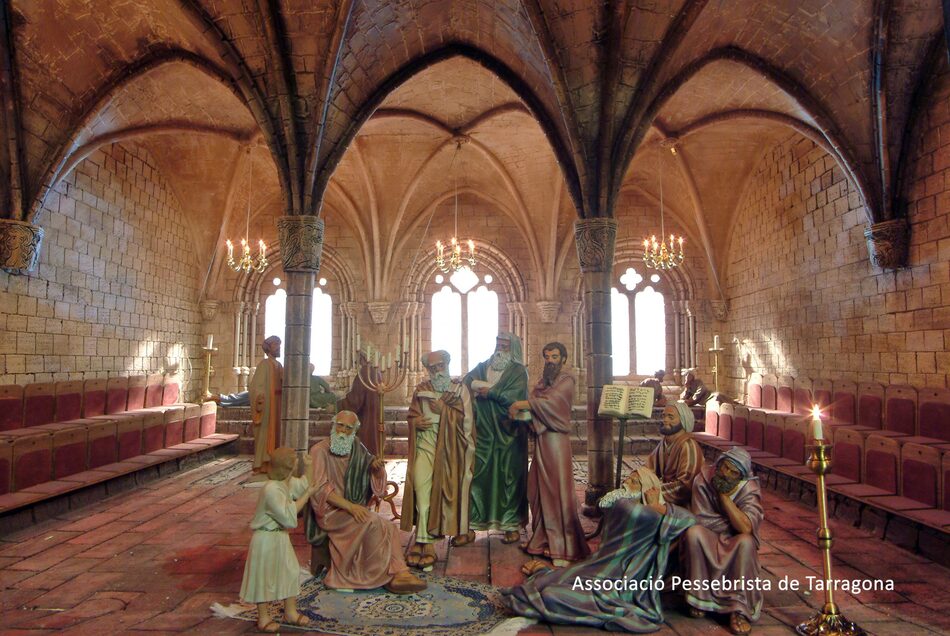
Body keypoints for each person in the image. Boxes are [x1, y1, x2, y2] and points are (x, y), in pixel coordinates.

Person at [503, 467, 695, 632]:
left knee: (551, 596)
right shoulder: (622, 508)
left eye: (635, 482)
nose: (627, 483)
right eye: (628, 478)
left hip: (616, 585)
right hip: (594, 570)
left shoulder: (644, 515)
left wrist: (657, 507)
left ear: (647, 489)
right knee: (543, 582)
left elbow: (690, 519)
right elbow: (607, 504)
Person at [306, 410, 426, 594]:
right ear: (333, 425)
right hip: (330, 511)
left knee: (390, 527)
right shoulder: (319, 451)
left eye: (348, 428)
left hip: (353, 507)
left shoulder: (356, 447)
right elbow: (321, 490)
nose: (342, 431)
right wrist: (351, 507)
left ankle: (400, 573)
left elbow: (374, 474)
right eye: (340, 425)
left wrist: (376, 470)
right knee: (372, 523)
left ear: (354, 431)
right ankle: (374, 574)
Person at [507, 342, 589, 569]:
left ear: (563, 358)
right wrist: (524, 411)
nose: (550, 361)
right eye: (547, 357)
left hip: (556, 442)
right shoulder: (543, 382)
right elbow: (536, 402)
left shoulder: (567, 380)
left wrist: (520, 404)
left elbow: (551, 404)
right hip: (542, 441)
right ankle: (541, 539)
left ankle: (562, 546)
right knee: (537, 489)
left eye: (555, 356)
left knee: (555, 491)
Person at [402, 350, 474, 570]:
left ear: (448, 364)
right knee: (421, 495)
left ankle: (425, 544)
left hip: (449, 452)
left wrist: (445, 411)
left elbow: (468, 425)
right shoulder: (421, 390)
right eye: (432, 368)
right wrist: (415, 423)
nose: (437, 371)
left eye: (440, 366)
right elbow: (412, 416)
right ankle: (425, 542)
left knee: (437, 497)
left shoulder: (459, 391)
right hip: (424, 447)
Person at [682, 447, 763, 635]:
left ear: (740, 477)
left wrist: (724, 497)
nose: (726, 474)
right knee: (694, 533)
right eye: (725, 467)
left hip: (736, 539)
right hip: (709, 535)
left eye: (733, 473)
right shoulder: (703, 480)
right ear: (718, 465)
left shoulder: (749, 489)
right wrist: (732, 522)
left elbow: (746, 528)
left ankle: (738, 609)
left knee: (746, 543)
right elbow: (701, 518)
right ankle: (700, 598)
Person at [461, 332, 529, 546]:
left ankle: (510, 524)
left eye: (505, 346)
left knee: (509, 478)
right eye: (498, 344)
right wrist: (471, 386)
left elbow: (516, 397)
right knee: (479, 475)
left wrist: (491, 393)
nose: (500, 349)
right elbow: (467, 380)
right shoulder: (483, 367)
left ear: (513, 349)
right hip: (483, 431)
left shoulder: (519, 371)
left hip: (509, 432)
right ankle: (471, 524)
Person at [239, 447, 318, 632]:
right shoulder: (271, 489)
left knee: (290, 571)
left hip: (280, 537)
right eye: (295, 460)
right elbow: (287, 516)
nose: (297, 462)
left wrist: (309, 467)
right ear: (288, 466)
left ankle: (290, 613)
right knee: (264, 576)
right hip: (266, 538)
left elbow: (303, 485)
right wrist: (307, 495)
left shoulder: (286, 482)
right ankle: (263, 617)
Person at [646, 401, 704, 506]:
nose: (665, 420)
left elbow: (685, 486)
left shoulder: (688, 446)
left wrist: (653, 492)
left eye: (671, 417)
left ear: (683, 421)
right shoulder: (664, 443)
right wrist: (636, 478)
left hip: (682, 504)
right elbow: (649, 468)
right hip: (663, 495)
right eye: (663, 416)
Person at [337, 345, 382, 456]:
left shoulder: (365, 372)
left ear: (364, 357)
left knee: (364, 448)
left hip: (365, 419)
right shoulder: (376, 372)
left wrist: (337, 405)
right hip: (373, 416)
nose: (357, 360)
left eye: (359, 356)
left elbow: (355, 401)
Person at [249, 336, 282, 473]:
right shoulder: (264, 364)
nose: (279, 348)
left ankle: (275, 462)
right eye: (276, 345)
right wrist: (260, 397)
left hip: (278, 404)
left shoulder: (279, 365)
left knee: (277, 433)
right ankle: (262, 463)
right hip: (268, 405)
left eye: (279, 345)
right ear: (269, 348)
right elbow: (256, 386)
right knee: (265, 433)